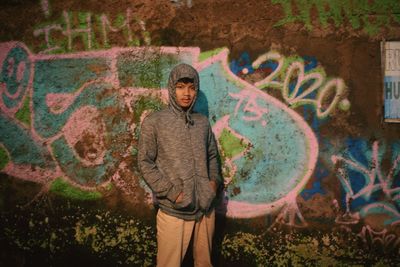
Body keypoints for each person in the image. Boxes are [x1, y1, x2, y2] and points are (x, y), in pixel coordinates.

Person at [138, 63, 222, 267]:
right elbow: (144, 163)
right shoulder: (154, 122)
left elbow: (212, 156)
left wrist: (213, 184)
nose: (187, 93)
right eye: (180, 86)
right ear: (171, 87)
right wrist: (172, 193)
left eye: (192, 87)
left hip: (205, 208)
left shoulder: (202, 122)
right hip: (175, 209)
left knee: (205, 264)